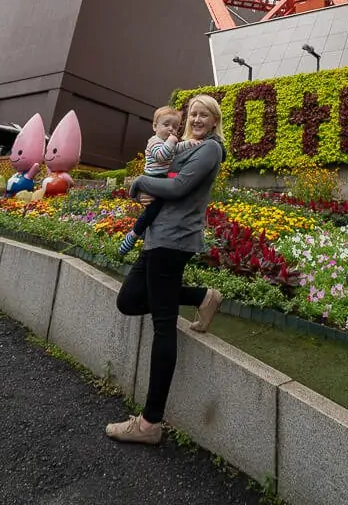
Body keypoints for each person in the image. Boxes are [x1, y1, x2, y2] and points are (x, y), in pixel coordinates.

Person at [106, 94, 225, 446]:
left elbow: (175, 187)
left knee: (163, 324)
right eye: (194, 114)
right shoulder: (184, 146)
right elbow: (162, 174)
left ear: (215, 121)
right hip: (157, 237)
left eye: (206, 115)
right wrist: (147, 186)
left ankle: (150, 422)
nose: (198, 118)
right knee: (128, 300)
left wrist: (138, 184)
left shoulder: (210, 150)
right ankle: (203, 297)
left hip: (175, 240)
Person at [118, 106, 200, 256]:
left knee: (158, 209)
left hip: (161, 180)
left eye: (174, 127)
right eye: (166, 125)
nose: (170, 129)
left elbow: (179, 148)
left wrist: (190, 143)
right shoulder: (154, 141)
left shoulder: (169, 142)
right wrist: (172, 140)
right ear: (155, 126)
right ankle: (134, 233)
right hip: (153, 179)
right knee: (153, 209)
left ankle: (142, 232)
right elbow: (161, 156)